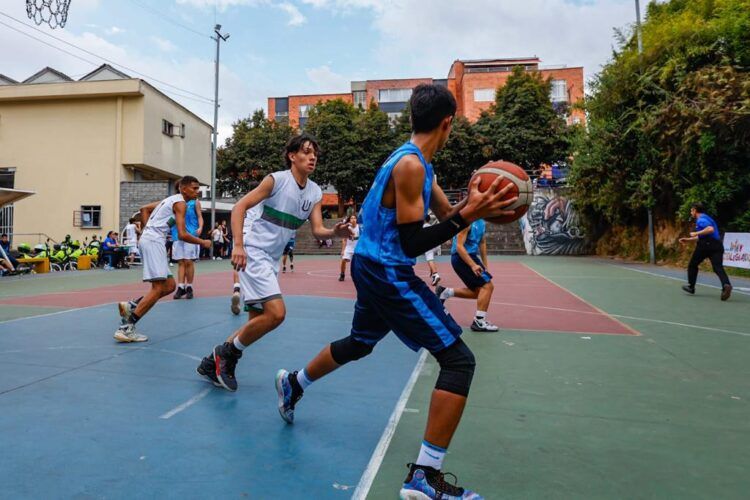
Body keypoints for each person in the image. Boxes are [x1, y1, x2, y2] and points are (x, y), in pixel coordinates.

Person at [274, 84, 516, 499]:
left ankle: (295, 382)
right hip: (387, 269)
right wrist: (467, 218)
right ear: (447, 124)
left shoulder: (418, 163)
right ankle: (424, 476)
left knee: (359, 344)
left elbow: (446, 215)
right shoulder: (411, 167)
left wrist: (476, 206)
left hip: (372, 265)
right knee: (458, 361)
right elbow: (411, 244)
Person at [196, 134, 351, 392]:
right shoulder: (276, 180)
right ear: (292, 156)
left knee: (257, 322)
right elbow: (239, 207)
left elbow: (318, 230)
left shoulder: (313, 192)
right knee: (277, 314)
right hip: (253, 250)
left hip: (271, 258)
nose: (312, 157)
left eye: (315, 154)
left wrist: (336, 233)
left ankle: (212, 362)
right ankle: (225, 356)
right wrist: (238, 245)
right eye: (306, 152)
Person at [115, 176, 211, 343]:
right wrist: (203, 241)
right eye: (194, 188)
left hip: (152, 240)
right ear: (183, 188)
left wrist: (146, 230)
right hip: (153, 242)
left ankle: (131, 306)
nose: (197, 192)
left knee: (169, 286)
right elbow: (182, 234)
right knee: (158, 288)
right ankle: (126, 328)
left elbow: (144, 209)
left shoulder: (169, 200)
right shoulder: (180, 203)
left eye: (198, 188)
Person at [435, 219, 499, 332]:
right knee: (488, 286)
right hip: (461, 258)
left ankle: (445, 292)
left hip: (470, 256)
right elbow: (459, 246)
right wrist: (473, 265)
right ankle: (479, 321)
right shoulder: (467, 222)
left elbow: (482, 242)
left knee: (480, 292)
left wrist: (485, 264)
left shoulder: (481, 222)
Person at [679, 202, 732, 300]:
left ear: (695, 210)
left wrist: (696, 233)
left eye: (691, 210)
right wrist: (688, 239)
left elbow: (710, 229)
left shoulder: (701, 220)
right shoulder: (708, 218)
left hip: (705, 245)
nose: (691, 212)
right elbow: (704, 234)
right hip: (717, 245)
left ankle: (691, 286)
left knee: (693, 264)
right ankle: (726, 285)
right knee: (718, 267)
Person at [172, 181, 204, 300]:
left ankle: (189, 286)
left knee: (188, 261)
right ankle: (180, 287)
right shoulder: (174, 201)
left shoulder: (195, 202)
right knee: (181, 262)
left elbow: (200, 216)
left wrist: (200, 227)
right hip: (177, 234)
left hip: (191, 234)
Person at [231, 201, 265, 315]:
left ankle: (236, 290)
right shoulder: (260, 205)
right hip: (252, 237)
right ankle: (250, 299)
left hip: (239, 237)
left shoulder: (241, 204)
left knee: (238, 266)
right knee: (253, 269)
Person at [338, 214, 359, 281]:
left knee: (357, 263)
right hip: (349, 247)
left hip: (357, 248)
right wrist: (343, 250)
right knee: (343, 260)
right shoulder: (347, 228)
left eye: (354, 218)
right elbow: (344, 240)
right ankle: (342, 274)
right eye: (351, 218)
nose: (353, 220)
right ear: (349, 220)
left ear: (356, 220)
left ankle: (357, 275)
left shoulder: (360, 228)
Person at [423, 214, 441, 286]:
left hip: (429, 245)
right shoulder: (431, 226)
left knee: (430, 259)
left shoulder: (423, 227)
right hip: (435, 245)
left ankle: (435, 274)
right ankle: (434, 273)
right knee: (431, 260)